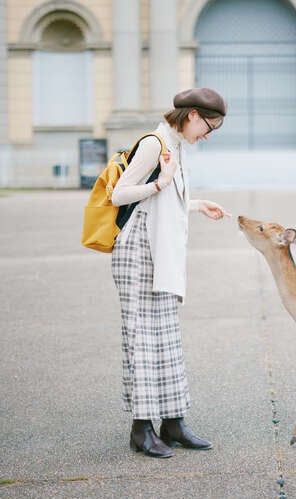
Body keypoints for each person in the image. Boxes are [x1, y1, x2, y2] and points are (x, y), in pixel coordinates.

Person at [110, 88, 231, 458]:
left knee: (166, 339)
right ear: (192, 115)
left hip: (158, 249)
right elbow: (119, 195)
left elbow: (163, 201)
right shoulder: (155, 143)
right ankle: (141, 429)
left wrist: (196, 204)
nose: (208, 135)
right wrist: (162, 182)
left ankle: (173, 423)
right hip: (138, 250)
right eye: (209, 127)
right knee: (143, 340)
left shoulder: (176, 145)